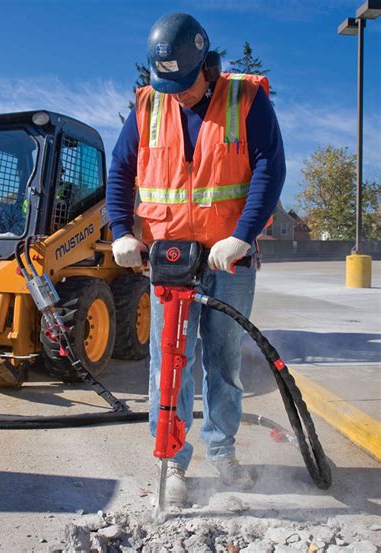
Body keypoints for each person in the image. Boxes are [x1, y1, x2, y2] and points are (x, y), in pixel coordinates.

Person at [106, 12, 286, 506]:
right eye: (169, 83)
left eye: (185, 82)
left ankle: (223, 452)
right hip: (168, 258)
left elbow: (271, 166)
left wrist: (243, 235)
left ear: (206, 64)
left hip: (229, 259)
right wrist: (123, 231)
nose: (178, 92)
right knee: (170, 362)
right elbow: (121, 170)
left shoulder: (246, 99)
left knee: (224, 360)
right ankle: (171, 460)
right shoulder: (148, 105)